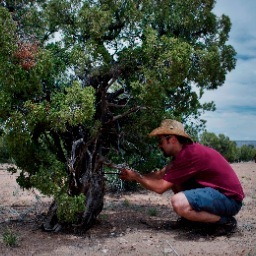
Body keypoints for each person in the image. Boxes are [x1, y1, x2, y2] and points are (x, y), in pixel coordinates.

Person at [120, 119, 245, 235]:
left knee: (179, 202)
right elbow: (160, 174)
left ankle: (225, 221)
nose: (159, 145)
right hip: (221, 196)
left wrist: (136, 177)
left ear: (172, 139)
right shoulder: (183, 154)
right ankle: (193, 220)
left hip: (230, 200)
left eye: (161, 141)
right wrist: (134, 175)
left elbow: (161, 187)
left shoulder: (189, 154)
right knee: (173, 179)